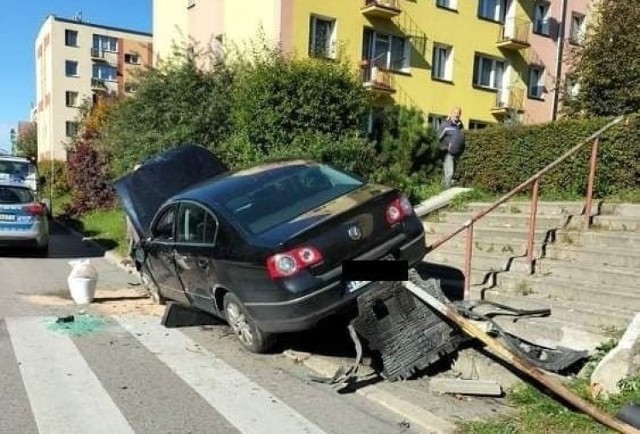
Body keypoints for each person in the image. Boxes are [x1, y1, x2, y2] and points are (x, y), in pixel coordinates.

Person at [438, 107, 465, 188]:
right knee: (449, 173)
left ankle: (442, 189)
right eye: (455, 113)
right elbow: (437, 138)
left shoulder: (460, 125)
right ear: (451, 113)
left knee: (451, 175)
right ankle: (445, 193)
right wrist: (445, 147)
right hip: (448, 153)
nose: (457, 115)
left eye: (458, 113)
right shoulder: (445, 125)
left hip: (456, 154)